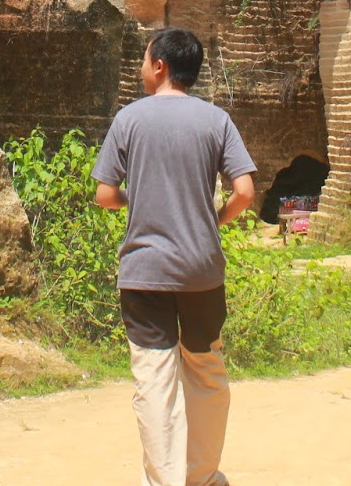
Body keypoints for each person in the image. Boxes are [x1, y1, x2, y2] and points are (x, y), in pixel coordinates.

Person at [92, 26, 257, 486]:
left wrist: (137, 200)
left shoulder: (130, 119)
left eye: (144, 61)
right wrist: (213, 221)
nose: (141, 69)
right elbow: (244, 191)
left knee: (154, 375)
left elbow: (105, 194)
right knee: (205, 368)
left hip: (145, 271)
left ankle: (164, 481)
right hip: (202, 270)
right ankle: (201, 476)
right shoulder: (216, 120)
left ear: (160, 66)